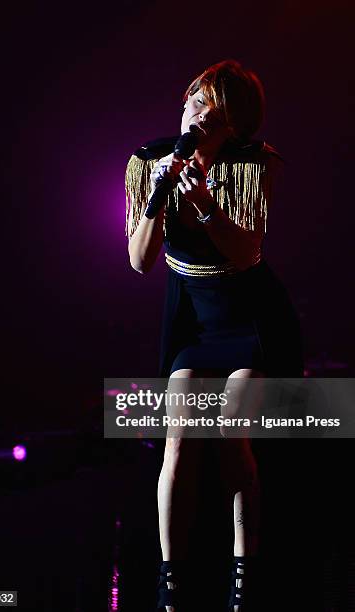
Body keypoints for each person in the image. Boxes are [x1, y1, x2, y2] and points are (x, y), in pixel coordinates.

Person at [125, 59, 303, 611]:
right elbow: (139, 261)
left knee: (231, 432)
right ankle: (170, 581)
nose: (196, 117)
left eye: (212, 112)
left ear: (236, 125)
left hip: (247, 313)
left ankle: (244, 578)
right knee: (179, 438)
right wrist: (158, 195)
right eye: (192, 104)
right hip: (193, 318)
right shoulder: (149, 160)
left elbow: (246, 253)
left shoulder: (256, 164)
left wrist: (202, 199)